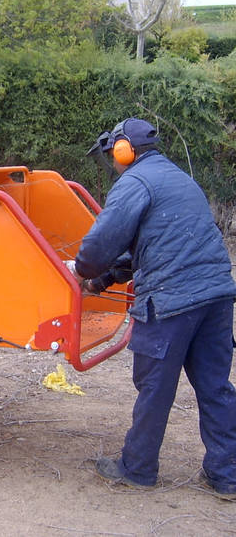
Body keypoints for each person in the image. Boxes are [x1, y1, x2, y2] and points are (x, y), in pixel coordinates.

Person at [70, 117, 236, 496]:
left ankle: (138, 468)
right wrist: (103, 281)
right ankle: (227, 476)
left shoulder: (134, 183)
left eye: (113, 153)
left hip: (171, 299)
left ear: (125, 150)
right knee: (215, 386)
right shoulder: (177, 178)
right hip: (216, 295)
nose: (113, 161)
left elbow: (100, 245)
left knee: (154, 386)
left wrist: (81, 271)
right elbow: (154, 244)